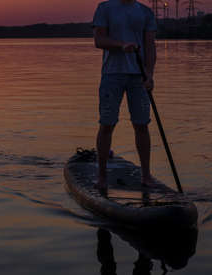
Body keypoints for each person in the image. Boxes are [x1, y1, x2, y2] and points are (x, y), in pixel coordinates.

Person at [92, 0, 157, 189]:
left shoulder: (145, 12)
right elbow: (99, 40)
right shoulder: (105, 8)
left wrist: (150, 75)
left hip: (139, 76)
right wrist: (121, 45)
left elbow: (150, 46)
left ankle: (146, 176)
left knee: (142, 125)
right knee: (107, 124)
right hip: (112, 74)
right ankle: (102, 177)